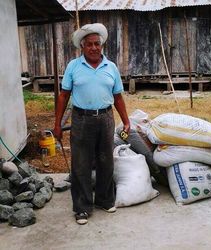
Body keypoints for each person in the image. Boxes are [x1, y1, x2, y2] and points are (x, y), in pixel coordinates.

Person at [54, 23, 130, 225]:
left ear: (101, 45)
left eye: (98, 44)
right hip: (81, 119)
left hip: (105, 118)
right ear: (82, 46)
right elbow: (63, 96)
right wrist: (58, 124)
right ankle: (82, 207)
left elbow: (118, 97)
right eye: (90, 44)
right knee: (81, 163)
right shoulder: (73, 66)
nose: (94, 48)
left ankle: (104, 200)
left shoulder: (111, 67)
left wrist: (126, 121)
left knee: (106, 161)